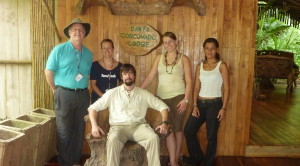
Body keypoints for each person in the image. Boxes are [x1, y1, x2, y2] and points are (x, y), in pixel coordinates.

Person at [88, 63, 169, 166]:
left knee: (153, 138)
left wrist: (164, 123)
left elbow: (163, 107)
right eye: (125, 73)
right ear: (121, 77)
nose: (128, 76)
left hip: (139, 127)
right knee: (112, 140)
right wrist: (94, 125)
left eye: (131, 73)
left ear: (134, 76)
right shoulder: (112, 93)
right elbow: (92, 108)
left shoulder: (143, 93)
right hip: (119, 128)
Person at [44, 18, 93, 166]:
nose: (78, 32)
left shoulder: (89, 54)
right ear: (69, 33)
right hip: (64, 94)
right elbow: (48, 72)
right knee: (64, 130)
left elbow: (87, 76)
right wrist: (55, 90)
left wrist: (88, 96)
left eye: (81, 30)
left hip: (83, 94)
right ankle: (65, 163)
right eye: (75, 30)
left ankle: (75, 161)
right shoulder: (59, 50)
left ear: (84, 34)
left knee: (79, 129)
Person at [141, 32, 192, 166]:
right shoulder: (159, 58)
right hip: (161, 99)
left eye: (170, 41)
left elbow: (189, 81)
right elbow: (151, 76)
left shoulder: (184, 59)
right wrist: (139, 89)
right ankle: (173, 160)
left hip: (179, 98)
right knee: (167, 129)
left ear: (176, 42)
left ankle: (174, 159)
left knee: (178, 129)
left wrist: (186, 100)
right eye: (165, 42)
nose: (168, 44)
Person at [183, 38, 230, 166]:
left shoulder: (222, 66)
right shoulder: (200, 66)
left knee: (211, 136)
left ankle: (207, 163)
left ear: (217, 50)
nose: (209, 51)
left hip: (215, 104)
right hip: (200, 104)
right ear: (204, 50)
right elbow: (196, 87)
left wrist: (223, 108)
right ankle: (197, 157)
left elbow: (226, 88)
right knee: (188, 130)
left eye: (212, 48)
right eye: (207, 48)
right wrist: (194, 105)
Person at [90, 39, 122, 103]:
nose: (107, 50)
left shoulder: (120, 66)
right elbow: (93, 84)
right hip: (98, 100)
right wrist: (104, 97)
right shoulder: (95, 65)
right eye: (104, 48)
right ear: (101, 50)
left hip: (113, 100)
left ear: (113, 49)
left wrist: (116, 95)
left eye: (109, 48)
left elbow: (121, 83)